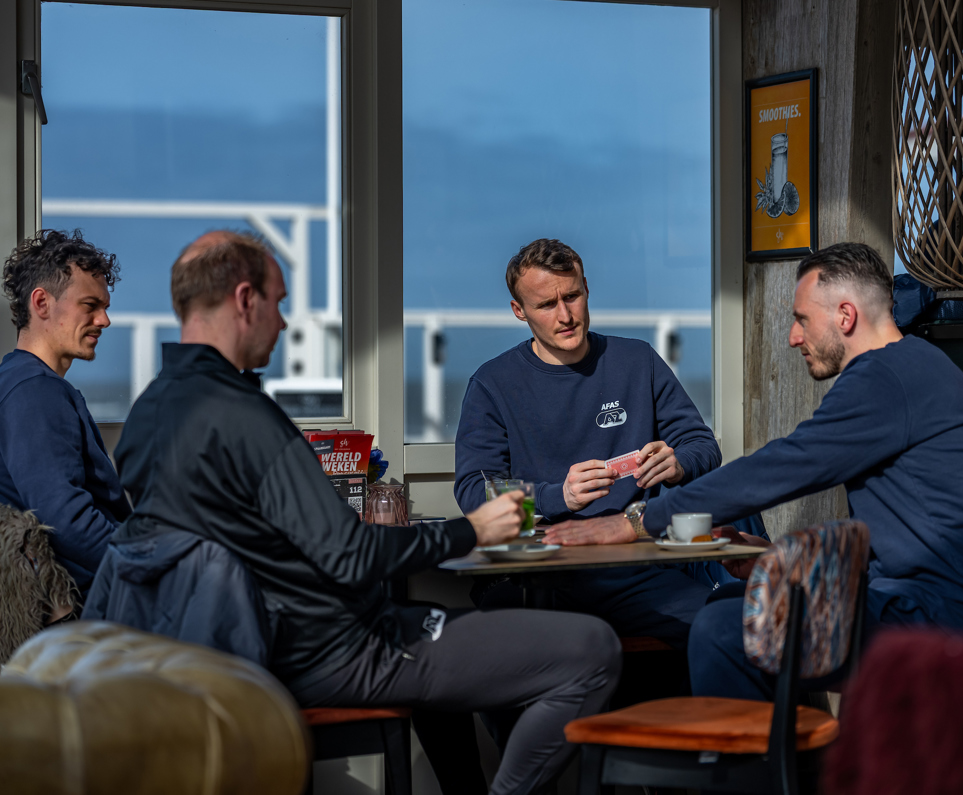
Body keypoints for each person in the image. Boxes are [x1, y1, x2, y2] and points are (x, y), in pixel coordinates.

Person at [111, 230, 621, 795]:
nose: (283, 322)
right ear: (245, 300)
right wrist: (472, 530)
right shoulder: (243, 417)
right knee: (592, 648)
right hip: (333, 651)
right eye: (278, 302)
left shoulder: (148, 415)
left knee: (440, 625)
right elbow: (351, 557)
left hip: (234, 649)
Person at [543, 242, 963, 700]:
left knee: (723, 628)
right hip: (922, 604)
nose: (793, 337)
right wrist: (778, 558)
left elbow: (780, 467)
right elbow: (910, 531)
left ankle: (760, 756)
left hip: (939, 623)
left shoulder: (885, 377)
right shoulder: (914, 367)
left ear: (846, 316)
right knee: (726, 603)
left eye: (801, 319)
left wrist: (638, 521)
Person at [454, 237, 764, 649]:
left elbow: (701, 445)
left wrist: (678, 464)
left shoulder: (637, 360)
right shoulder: (492, 384)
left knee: (732, 628)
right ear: (519, 310)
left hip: (639, 564)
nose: (565, 315)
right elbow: (475, 491)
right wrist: (557, 496)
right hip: (548, 568)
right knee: (529, 642)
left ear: (586, 288)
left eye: (572, 296)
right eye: (546, 305)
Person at [0, 229, 130, 596]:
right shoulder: (35, 391)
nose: (104, 320)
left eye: (105, 307)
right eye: (90, 305)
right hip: (81, 605)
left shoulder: (17, 380)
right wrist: (149, 568)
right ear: (42, 303)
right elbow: (67, 521)